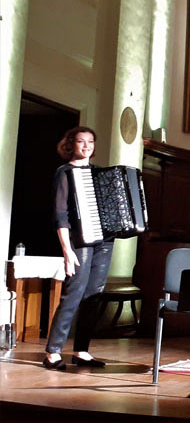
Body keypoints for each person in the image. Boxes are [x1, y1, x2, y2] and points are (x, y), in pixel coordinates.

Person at [43, 127, 113, 370]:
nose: (86, 146)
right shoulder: (65, 172)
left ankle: (81, 351)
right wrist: (67, 250)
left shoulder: (99, 173)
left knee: (93, 295)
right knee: (73, 293)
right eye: (81, 141)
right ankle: (52, 352)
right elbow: (60, 215)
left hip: (104, 240)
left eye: (90, 142)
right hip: (79, 240)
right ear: (71, 144)